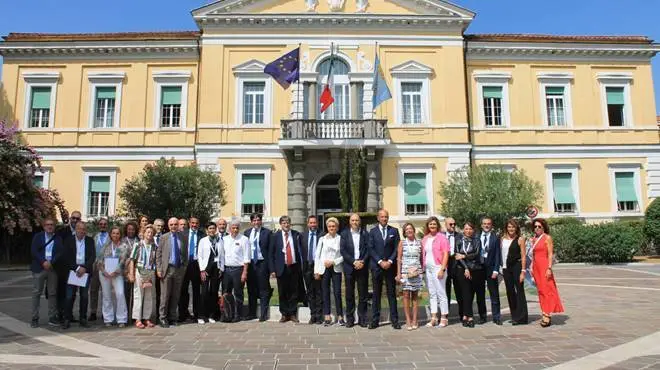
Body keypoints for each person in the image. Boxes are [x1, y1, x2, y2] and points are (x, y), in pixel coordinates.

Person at [367, 209, 401, 330]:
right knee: (376, 294)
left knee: (392, 294)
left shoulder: (394, 231)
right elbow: (370, 249)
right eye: (382, 217)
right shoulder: (372, 232)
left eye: (386, 217)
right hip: (377, 267)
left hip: (390, 267)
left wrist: (390, 261)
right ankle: (375, 320)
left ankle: (395, 320)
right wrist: (380, 262)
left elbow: (397, 248)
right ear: (378, 218)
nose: (384, 219)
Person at [530, 218, 564, 327]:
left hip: (544, 266)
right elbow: (532, 255)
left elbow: (550, 254)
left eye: (539, 226)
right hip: (536, 267)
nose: (537, 228)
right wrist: (531, 267)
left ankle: (547, 314)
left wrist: (549, 268)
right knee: (540, 291)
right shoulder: (533, 239)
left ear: (543, 227)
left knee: (547, 290)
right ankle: (544, 311)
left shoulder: (547, 238)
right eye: (535, 226)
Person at [30, 217, 64, 328]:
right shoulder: (38, 237)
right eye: (47, 225)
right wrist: (43, 261)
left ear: (54, 226)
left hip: (52, 269)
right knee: (36, 293)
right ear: (44, 226)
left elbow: (60, 252)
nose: (50, 226)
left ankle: (52, 317)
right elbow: (34, 251)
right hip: (39, 268)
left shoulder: (58, 238)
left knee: (52, 293)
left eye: (52, 225)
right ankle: (34, 317)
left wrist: (51, 262)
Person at [62, 221, 95, 329]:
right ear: (76, 229)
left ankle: (83, 318)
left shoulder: (90, 241)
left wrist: (84, 267)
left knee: (84, 296)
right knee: (69, 296)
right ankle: (67, 318)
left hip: (85, 271)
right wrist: (77, 268)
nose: (82, 231)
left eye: (84, 229)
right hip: (73, 271)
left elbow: (92, 256)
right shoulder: (68, 240)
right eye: (80, 229)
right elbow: (66, 256)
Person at [156, 217, 188, 328]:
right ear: (168, 226)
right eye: (171, 225)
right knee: (165, 295)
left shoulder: (183, 237)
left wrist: (184, 267)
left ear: (178, 225)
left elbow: (185, 254)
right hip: (167, 270)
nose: (173, 226)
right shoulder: (164, 238)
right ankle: (162, 318)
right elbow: (158, 254)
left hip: (178, 269)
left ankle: (173, 317)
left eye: (175, 224)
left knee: (175, 295)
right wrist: (159, 269)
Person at [269, 216, 303, 323]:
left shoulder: (296, 234)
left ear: (290, 223)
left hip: (293, 266)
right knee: (282, 291)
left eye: (288, 222)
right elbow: (271, 254)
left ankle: (292, 313)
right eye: (283, 223)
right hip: (281, 267)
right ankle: (284, 314)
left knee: (294, 291)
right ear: (281, 224)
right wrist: (272, 269)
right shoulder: (275, 236)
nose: (286, 224)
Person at [339, 213, 369, 328]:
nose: (355, 222)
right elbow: (343, 250)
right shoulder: (344, 234)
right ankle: (350, 319)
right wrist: (353, 261)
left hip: (362, 266)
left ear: (359, 222)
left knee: (363, 294)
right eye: (353, 220)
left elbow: (368, 249)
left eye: (357, 220)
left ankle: (362, 319)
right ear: (349, 222)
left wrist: (362, 261)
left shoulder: (365, 233)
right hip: (350, 267)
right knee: (349, 294)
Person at [97, 226, 129, 327]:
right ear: (110, 234)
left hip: (117, 274)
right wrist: (103, 271)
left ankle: (121, 319)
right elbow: (99, 260)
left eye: (117, 233)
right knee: (106, 296)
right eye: (113, 233)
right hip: (105, 274)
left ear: (120, 235)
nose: (115, 235)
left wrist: (116, 271)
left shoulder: (123, 246)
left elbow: (123, 261)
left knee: (120, 294)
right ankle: (108, 319)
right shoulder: (106, 245)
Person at [314, 217, 344, 326]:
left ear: (337, 227)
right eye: (330, 226)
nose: (331, 228)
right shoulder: (322, 239)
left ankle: (340, 316)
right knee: (325, 292)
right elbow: (317, 255)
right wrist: (316, 271)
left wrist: (334, 262)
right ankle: (327, 315)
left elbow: (343, 255)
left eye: (333, 226)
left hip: (336, 267)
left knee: (337, 292)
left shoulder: (340, 239)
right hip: (324, 268)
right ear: (327, 227)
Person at [455, 222, 485, 328]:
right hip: (462, 270)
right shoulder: (458, 240)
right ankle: (467, 316)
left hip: (474, 269)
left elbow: (476, 254)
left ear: (473, 230)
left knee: (471, 294)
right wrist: (465, 267)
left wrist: (464, 256)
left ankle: (469, 317)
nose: (468, 231)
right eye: (466, 229)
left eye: (470, 229)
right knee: (465, 294)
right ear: (463, 229)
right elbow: (457, 255)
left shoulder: (477, 240)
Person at [421, 217, 450, 328]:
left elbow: (446, 253)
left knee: (441, 293)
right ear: (427, 226)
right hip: (428, 269)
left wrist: (442, 269)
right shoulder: (425, 239)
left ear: (437, 225)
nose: (432, 226)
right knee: (432, 294)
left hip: (438, 267)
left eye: (434, 224)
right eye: (430, 224)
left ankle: (444, 317)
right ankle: (434, 317)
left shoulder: (442, 238)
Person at [129, 224, 158, 329]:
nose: (150, 234)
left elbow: (156, 260)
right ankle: (137, 319)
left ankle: (147, 318)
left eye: (151, 232)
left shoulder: (155, 246)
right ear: (144, 233)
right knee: (138, 295)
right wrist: (131, 273)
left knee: (149, 296)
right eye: (148, 232)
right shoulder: (138, 245)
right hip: (139, 272)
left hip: (150, 272)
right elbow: (132, 259)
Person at [244, 213, 272, 321]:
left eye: (258, 220)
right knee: (251, 289)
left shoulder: (267, 233)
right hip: (250, 264)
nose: (256, 222)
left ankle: (263, 314)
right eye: (254, 220)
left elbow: (270, 251)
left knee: (263, 289)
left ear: (261, 221)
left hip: (262, 263)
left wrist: (270, 268)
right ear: (251, 222)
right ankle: (252, 313)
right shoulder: (247, 233)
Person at [501, 218, 528, 325]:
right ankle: (514, 316)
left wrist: (523, 271)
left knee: (519, 291)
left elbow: (523, 256)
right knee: (510, 292)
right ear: (506, 228)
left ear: (516, 228)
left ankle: (522, 317)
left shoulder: (520, 239)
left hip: (517, 267)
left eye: (513, 227)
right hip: (506, 268)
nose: (511, 229)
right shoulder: (502, 239)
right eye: (509, 227)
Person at [55, 210, 81, 322]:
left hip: (75, 268)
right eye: (73, 218)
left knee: (72, 293)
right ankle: (60, 314)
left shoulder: (81, 232)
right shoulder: (62, 232)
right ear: (70, 219)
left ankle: (69, 314)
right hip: (63, 267)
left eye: (77, 218)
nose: (75, 220)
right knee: (62, 291)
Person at [396, 223, 423, 331]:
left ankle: (415, 320)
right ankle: (408, 319)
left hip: (416, 272)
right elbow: (399, 259)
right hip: (405, 272)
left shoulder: (419, 243)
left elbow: (421, 258)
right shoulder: (402, 243)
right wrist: (398, 274)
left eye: (410, 228)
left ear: (414, 230)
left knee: (415, 296)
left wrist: (421, 271)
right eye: (406, 229)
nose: (409, 230)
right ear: (404, 232)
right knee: (406, 295)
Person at [222, 218, 250, 322]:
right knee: (226, 293)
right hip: (226, 270)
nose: (235, 230)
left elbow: (247, 257)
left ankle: (238, 315)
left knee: (238, 293)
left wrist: (245, 272)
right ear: (229, 229)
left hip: (239, 269)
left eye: (237, 228)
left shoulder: (244, 239)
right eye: (233, 228)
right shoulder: (224, 239)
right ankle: (227, 314)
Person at [198, 222, 224, 324]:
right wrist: (202, 270)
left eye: (213, 228)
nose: (212, 230)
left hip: (216, 269)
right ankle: (201, 315)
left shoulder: (220, 240)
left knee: (214, 292)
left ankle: (211, 315)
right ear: (206, 230)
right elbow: (199, 256)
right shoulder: (203, 241)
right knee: (204, 293)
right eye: (210, 228)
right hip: (206, 268)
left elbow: (222, 255)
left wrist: (221, 269)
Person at [179, 217, 204, 323]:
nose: (194, 225)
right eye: (192, 223)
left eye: (196, 223)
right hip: (185, 264)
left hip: (196, 264)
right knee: (183, 290)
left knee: (196, 290)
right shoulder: (182, 234)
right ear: (189, 223)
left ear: (199, 224)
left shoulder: (202, 235)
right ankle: (182, 314)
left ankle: (197, 314)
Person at [479, 216, 502, 325]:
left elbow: (498, 254)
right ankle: (482, 317)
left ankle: (496, 317)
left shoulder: (495, 237)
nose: (486, 225)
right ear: (481, 225)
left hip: (491, 268)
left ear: (491, 225)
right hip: (479, 268)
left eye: (488, 224)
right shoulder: (476, 236)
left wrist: (496, 270)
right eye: (484, 223)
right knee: (480, 294)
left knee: (494, 293)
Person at [301, 215, 323, 324]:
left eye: (314, 223)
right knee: (310, 292)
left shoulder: (322, 235)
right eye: (311, 223)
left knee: (319, 291)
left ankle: (319, 316)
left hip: (318, 266)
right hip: (307, 267)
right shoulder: (302, 236)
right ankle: (312, 314)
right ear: (307, 224)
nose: (313, 225)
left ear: (317, 224)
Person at [89, 217, 109, 322]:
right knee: (93, 290)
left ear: (107, 225)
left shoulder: (111, 237)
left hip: (106, 266)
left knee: (105, 290)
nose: (103, 225)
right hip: (95, 266)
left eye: (105, 224)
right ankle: (93, 311)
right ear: (98, 225)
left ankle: (104, 312)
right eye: (101, 224)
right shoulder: (94, 237)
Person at [444, 217, 463, 321]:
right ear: (445, 224)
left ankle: (462, 315)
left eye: (454, 224)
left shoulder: (460, 236)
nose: (453, 226)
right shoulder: (441, 236)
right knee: (445, 292)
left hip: (457, 264)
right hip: (445, 265)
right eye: (450, 224)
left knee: (459, 290)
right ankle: (445, 316)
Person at [122, 221, 139, 323]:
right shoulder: (122, 241)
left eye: (132, 229)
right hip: (125, 270)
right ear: (126, 230)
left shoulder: (139, 241)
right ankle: (125, 315)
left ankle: (134, 315)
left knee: (135, 294)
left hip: (137, 269)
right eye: (129, 229)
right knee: (125, 293)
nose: (131, 231)